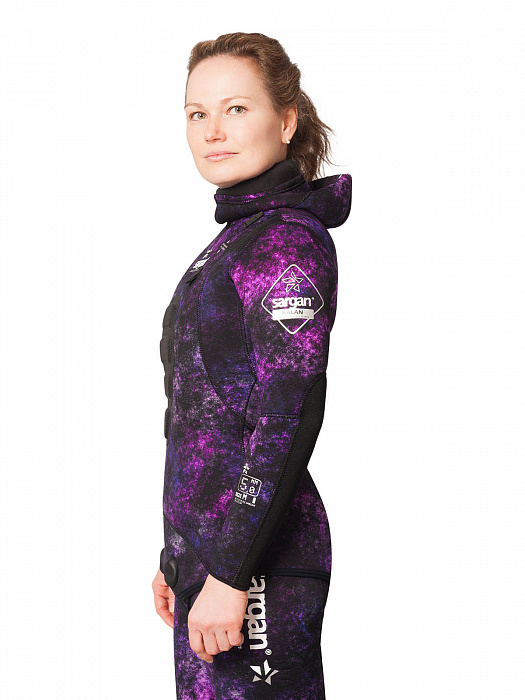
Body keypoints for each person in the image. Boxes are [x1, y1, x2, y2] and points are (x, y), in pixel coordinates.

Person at [151, 32, 352, 699]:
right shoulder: (234, 241)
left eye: (236, 108)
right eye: (197, 113)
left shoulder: (284, 241)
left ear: (286, 120)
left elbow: (289, 414)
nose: (212, 131)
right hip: (211, 559)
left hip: (255, 566)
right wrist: (176, 552)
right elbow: (201, 416)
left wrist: (232, 573)